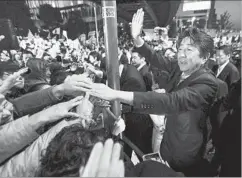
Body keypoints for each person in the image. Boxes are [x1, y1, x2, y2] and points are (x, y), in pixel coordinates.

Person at [90, 8, 218, 176]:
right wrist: (137, 38)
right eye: (180, 49)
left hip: (186, 152)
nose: (181, 55)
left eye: (189, 50)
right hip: (168, 144)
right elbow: (156, 58)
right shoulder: (181, 68)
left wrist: (115, 94)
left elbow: (170, 102)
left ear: (205, 57)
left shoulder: (207, 83)